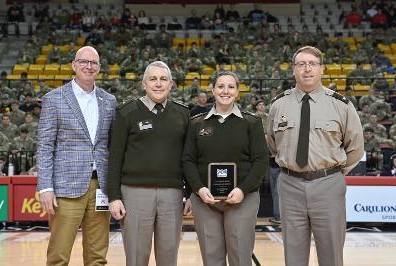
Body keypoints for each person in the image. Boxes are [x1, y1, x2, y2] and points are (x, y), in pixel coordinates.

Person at [267, 46, 364, 266]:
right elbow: (273, 144)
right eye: (301, 64)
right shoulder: (278, 105)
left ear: (322, 69)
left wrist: (331, 173)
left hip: (328, 184)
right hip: (290, 185)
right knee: (294, 255)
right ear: (294, 70)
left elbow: (356, 147)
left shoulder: (341, 105)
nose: (307, 69)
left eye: (312, 64)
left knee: (331, 253)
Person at [37, 46, 116, 265]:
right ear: (73, 65)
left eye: (93, 63)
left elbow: (112, 145)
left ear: (99, 68)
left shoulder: (109, 101)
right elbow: (44, 146)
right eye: (84, 62)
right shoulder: (54, 99)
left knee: (98, 256)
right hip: (65, 188)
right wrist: (45, 187)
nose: (88, 66)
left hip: (100, 187)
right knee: (59, 256)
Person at [107, 61, 190, 266]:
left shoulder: (183, 114)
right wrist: (114, 196)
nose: (158, 84)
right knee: (136, 257)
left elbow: (189, 157)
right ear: (144, 83)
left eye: (163, 79)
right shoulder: (126, 112)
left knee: (169, 256)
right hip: (134, 193)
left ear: (171, 84)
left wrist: (191, 193)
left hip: (172, 194)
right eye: (153, 79)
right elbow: (115, 156)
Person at [182, 71, 268, 266]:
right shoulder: (196, 123)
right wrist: (199, 189)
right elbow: (187, 160)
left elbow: (261, 161)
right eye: (220, 86)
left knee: (240, 257)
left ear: (237, 92)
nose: (225, 91)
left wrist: (242, 190)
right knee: (211, 258)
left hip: (242, 199)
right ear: (213, 90)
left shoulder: (251, 122)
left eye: (231, 87)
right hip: (205, 200)